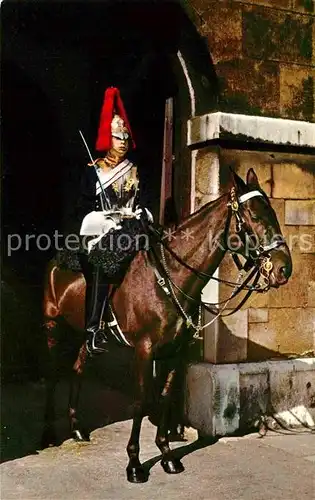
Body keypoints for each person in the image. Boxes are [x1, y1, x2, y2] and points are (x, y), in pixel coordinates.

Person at [75, 87, 152, 356]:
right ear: (108, 139)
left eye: (126, 138)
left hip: (131, 229)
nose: (124, 142)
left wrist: (141, 213)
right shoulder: (93, 172)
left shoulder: (134, 171)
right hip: (99, 231)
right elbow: (83, 207)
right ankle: (93, 330)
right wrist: (101, 218)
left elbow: (141, 201)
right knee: (99, 263)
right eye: (119, 137)